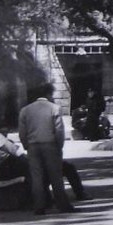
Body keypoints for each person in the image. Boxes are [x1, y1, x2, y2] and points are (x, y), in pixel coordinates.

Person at [18, 86, 76, 215]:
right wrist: (59, 146)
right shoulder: (54, 108)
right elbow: (59, 130)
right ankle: (62, 204)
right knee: (55, 176)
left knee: (37, 177)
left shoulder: (25, 110)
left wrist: (26, 145)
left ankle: (39, 206)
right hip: (50, 145)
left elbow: (22, 132)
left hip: (33, 146)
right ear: (48, 93)